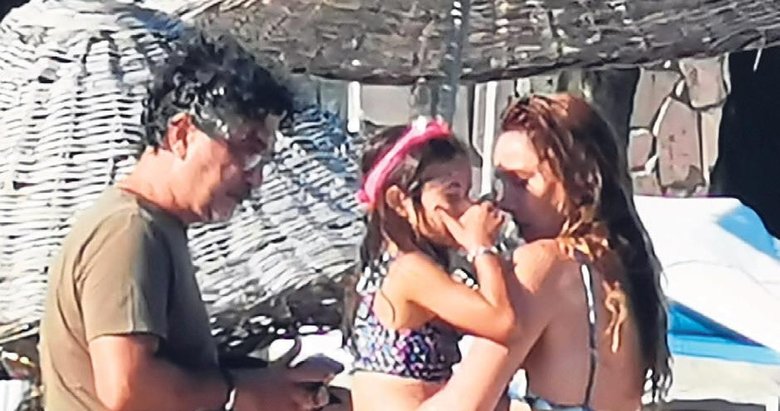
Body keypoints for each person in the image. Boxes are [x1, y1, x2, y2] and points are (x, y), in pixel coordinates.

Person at [38, 33, 338, 411]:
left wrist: (265, 383)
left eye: (263, 161)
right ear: (181, 134)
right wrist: (243, 391)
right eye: (248, 154)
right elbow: (128, 387)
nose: (256, 178)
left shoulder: (155, 227)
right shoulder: (129, 230)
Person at [421, 94, 672, 411]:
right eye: (503, 183)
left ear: (581, 178)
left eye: (521, 182)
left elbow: (464, 405)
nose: (504, 202)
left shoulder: (543, 265)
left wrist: (479, 249)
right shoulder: (620, 268)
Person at [346, 117, 521, 411]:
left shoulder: (393, 266)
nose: (467, 207)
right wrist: (480, 246)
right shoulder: (409, 270)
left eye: (467, 194)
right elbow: (503, 323)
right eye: (452, 195)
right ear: (399, 202)